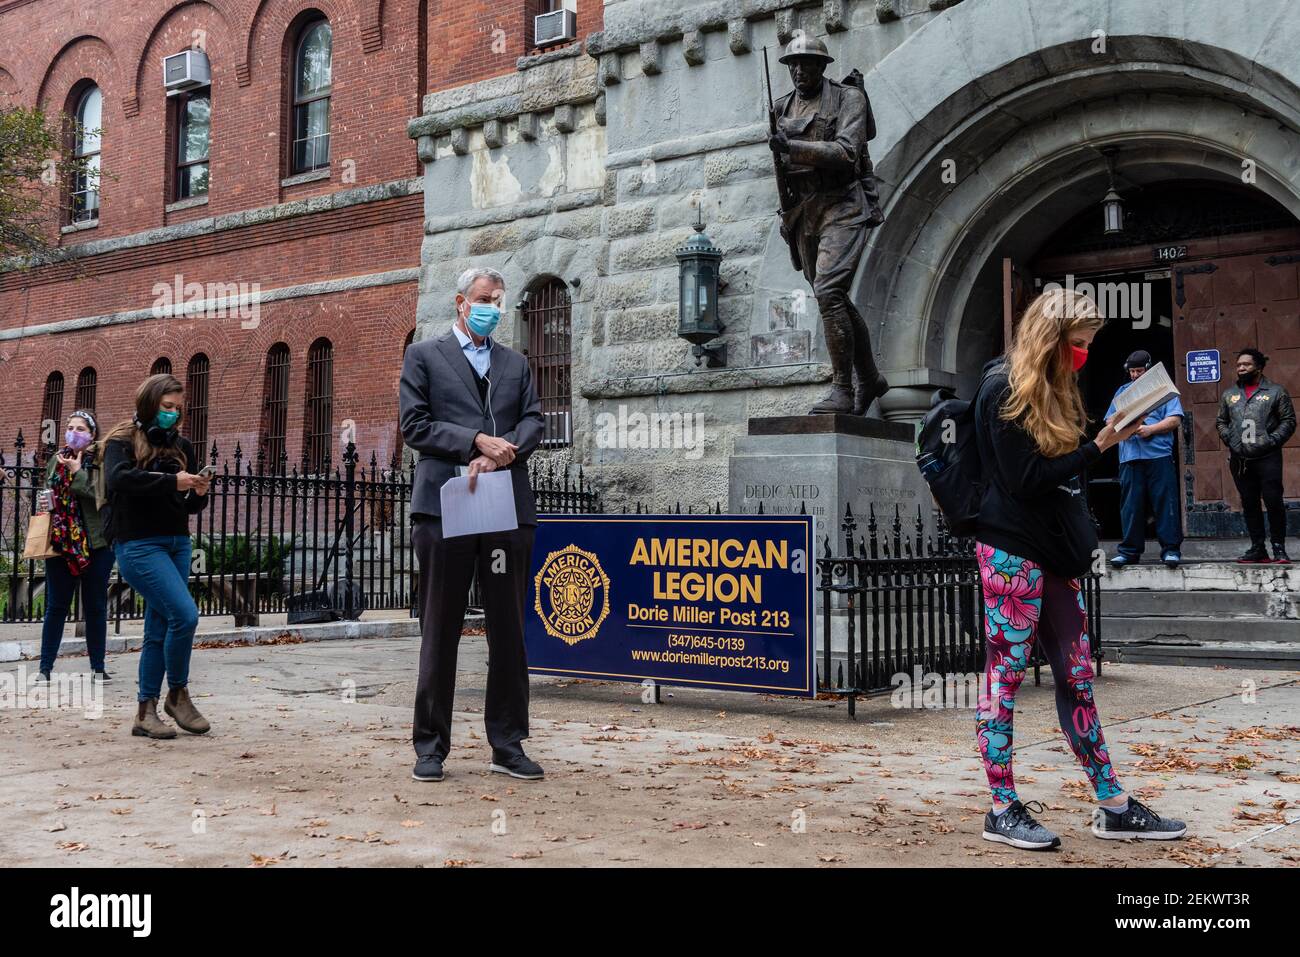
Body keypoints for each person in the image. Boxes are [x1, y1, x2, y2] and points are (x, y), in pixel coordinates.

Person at [973, 288, 1187, 849]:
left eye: (1090, 343)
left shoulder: (1056, 389)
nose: (1085, 353)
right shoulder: (1002, 388)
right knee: (1006, 678)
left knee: (1077, 677)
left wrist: (1099, 437)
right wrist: (1100, 445)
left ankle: (1113, 804)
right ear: (1051, 337)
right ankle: (1002, 807)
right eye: (1080, 342)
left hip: (1055, 555)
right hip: (1010, 552)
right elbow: (1025, 480)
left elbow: (1060, 469)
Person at [399, 266, 545, 783]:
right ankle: (430, 747)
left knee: (508, 629)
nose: (492, 308)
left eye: (499, 301)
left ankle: (508, 744)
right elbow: (414, 425)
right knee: (441, 627)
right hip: (446, 508)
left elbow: (534, 420)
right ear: (461, 302)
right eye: (484, 299)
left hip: (504, 509)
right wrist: (474, 442)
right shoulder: (423, 356)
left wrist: (503, 453)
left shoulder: (516, 363)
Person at [768, 35, 888, 416]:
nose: (800, 71)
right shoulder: (780, 108)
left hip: (843, 204)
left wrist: (792, 148)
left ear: (823, 65)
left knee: (827, 291)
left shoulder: (847, 98)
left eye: (808, 63)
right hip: (804, 211)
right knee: (830, 296)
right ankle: (869, 378)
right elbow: (781, 172)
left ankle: (842, 388)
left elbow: (847, 151)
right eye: (794, 64)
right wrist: (787, 214)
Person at [103, 374, 212, 739]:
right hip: (137, 544)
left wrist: (197, 489)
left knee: (159, 626)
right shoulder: (121, 441)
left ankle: (144, 712)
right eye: (167, 407)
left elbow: (192, 505)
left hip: (177, 542)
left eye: (178, 409)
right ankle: (177, 693)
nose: (173, 415)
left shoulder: (181, 445)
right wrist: (172, 481)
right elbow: (120, 480)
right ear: (149, 404)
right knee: (185, 614)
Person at [37, 410, 114, 682]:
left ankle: (98, 667)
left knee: (94, 606)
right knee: (56, 606)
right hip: (61, 542)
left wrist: (78, 472)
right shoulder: (56, 460)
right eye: (70, 427)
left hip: (96, 543)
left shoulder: (102, 460)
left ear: (92, 434)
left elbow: (100, 496)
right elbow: (48, 491)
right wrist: (46, 501)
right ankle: (45, 668)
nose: (73, 432)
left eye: (80, 428)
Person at [1106, 351, 1185, 568]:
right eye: (1131, 371)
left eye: (1139, 371)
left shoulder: (1163, 391)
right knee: (1130, 505)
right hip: (1129, 456)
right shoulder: (1121, 392)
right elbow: (1109, 423)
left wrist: (1150, 429)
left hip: (1158, 454)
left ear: (1148, 369)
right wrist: (1122, 427)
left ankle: (1170, 550)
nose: (1134, 375)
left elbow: (1174, 420)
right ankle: (1129, 552)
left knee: (1164, 502)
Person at [1216, 348, 1295, 564]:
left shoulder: (1276, 391)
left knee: (1273, 501)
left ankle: (1278, 547)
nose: (1241, 368)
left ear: (1258, 367)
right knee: (1249, 503)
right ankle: (1257, 548)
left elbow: (1288, 421)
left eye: (1246, 364)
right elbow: (1221, 421)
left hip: (1267, 457)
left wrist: (1271, 441)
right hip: (1240, 459)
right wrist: (1229, 438)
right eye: (1239, 365)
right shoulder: (1229, 395)